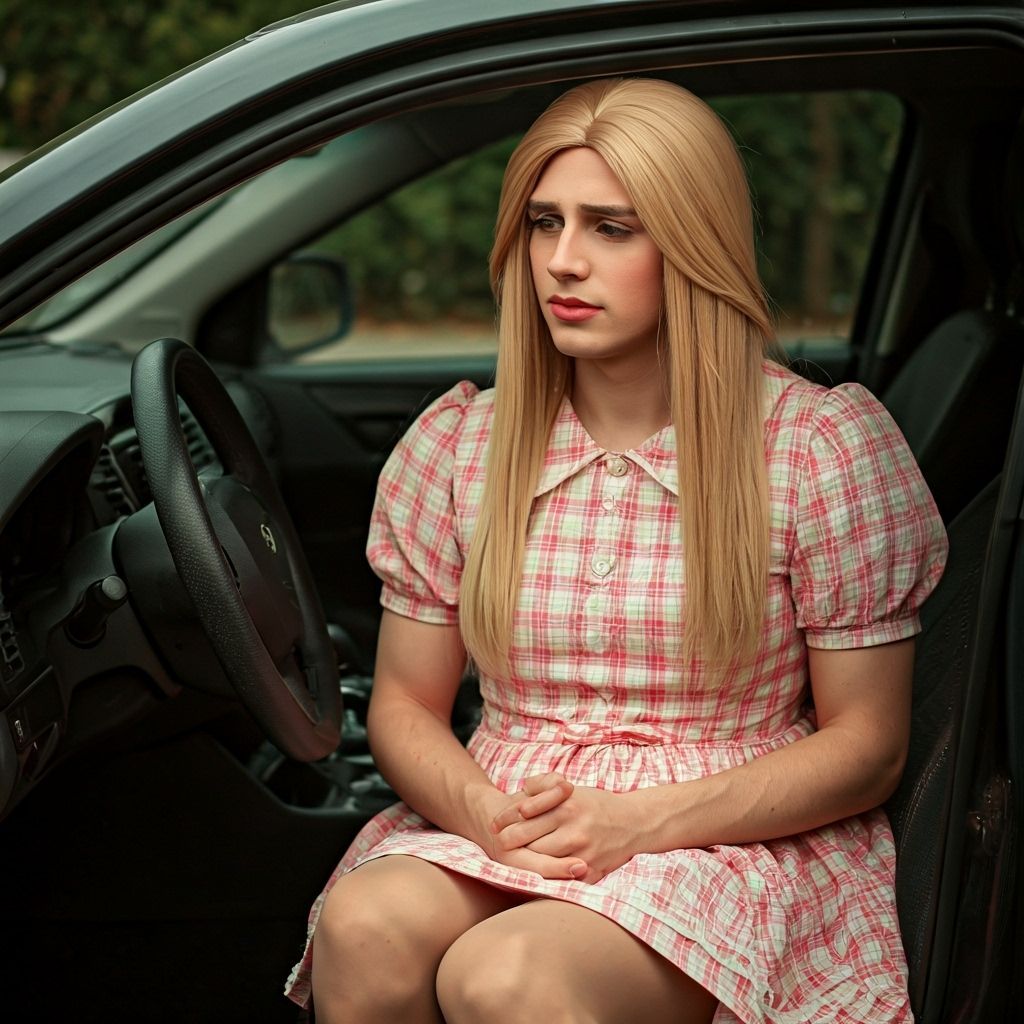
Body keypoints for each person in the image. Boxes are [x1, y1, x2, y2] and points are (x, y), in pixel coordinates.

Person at [284, 77, 948, 1023]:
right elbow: (402, 703)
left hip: (726, 833)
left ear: (692, 243)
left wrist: (640, 823)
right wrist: (481, 812)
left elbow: (869, 748)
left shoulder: (815, 450)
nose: (561, 262)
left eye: (611, 228)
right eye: (543, 223)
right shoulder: (460, 448)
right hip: (511, 815)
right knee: (364, 926)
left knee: (505, 977)